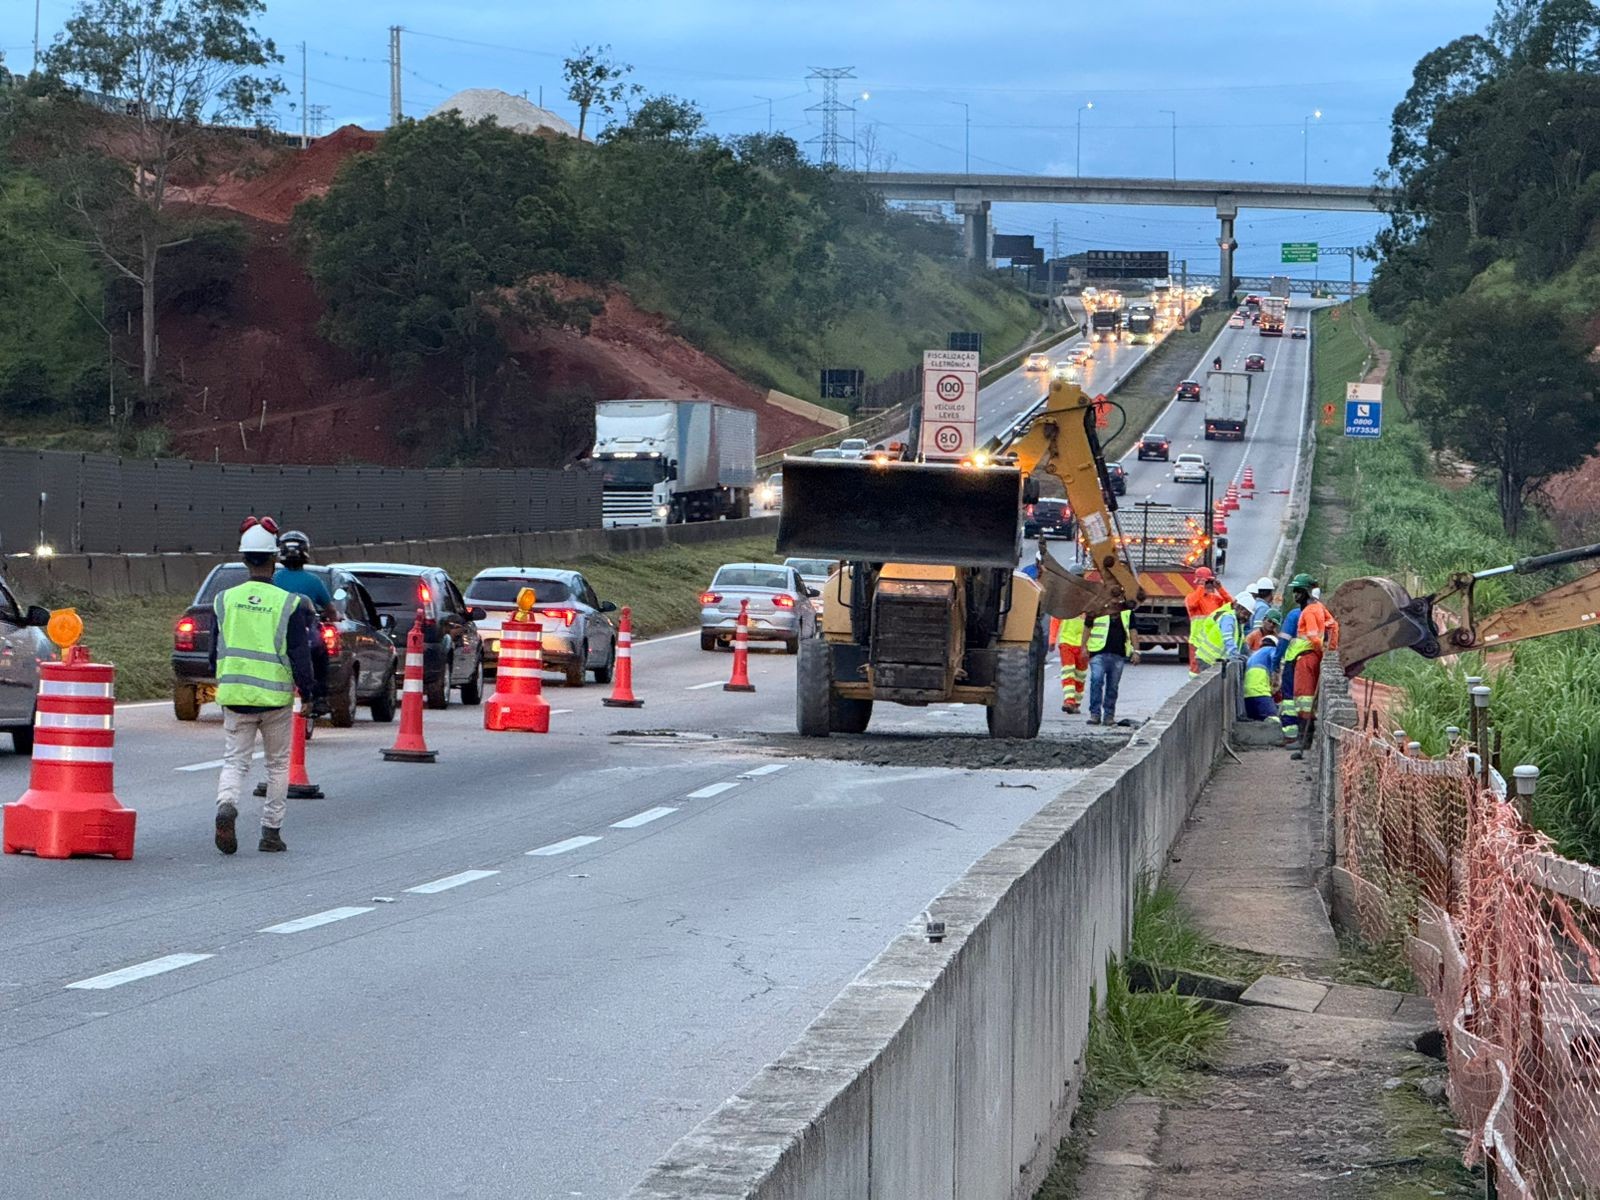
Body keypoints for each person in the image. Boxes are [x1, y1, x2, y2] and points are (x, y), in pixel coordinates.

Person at [210, 516, 317, 856]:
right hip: (275, 698)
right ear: (274, 560)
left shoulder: (224, 600)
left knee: (235, 762)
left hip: (235, 695)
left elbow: (215, 652)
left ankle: (227, 804)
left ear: (244, 559)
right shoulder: (288, 603)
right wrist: (309, 692)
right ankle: (271, 832)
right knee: (277, 765)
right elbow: (300, 654)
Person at [272, 529, 334, 717]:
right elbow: (330, 610)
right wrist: (334, 617)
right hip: (306, 639)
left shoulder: (274, 579)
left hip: (275, 636)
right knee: (321, 656)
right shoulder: (314, 581)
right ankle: (320, 697)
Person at [1282, 573, 1333, 758]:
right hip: (1307, 657)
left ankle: (1305, 739)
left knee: (1303, 699)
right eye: (1295, 591)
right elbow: (1333, 626)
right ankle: (1305, 737)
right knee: (1304, 699)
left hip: (1306, 658)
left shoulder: (1310, 611)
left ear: (1307, 592)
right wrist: (1328, 649)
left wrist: (1322, 651)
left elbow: (1313, 636)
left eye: (1299, 591)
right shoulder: (1318, 608)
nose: (1295, 595)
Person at [1085, 608, 1137, 726]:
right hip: (1097, 653)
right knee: (1096, 681)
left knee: (1112, 687)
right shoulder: (1097, 607)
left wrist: (1136, 651)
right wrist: (1083, 647)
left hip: (1118, 655)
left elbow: (1133, 631)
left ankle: (1109, 715)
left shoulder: (1126, 612)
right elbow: (1087, 627)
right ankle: (1095, 714)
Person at [1184, 567, 1234, 676]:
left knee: (1211, 672)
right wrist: (1202, 586)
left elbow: (1232, 606)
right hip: (1197, 642)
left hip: (1211, 642)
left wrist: (1220, 589)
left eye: (1211, 582)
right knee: (1195, 672)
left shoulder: (1216, 599)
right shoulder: (1191, 598)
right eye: (1208, 582)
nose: (1210, 585)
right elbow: (1192, 604)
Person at [1052, 610, 1088, 714]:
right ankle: (1069, 700)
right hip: (1067, 642)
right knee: (1068, 671)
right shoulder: (1066, 603)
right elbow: (1056, 619)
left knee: (1080, 676)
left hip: (1084, 644)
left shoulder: (1090, 604)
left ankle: (1076, 703)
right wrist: (1052, 639)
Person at [1243, 635, 1281, 723]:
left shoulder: (1253, 655)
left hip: (1247, 695)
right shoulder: (1271, 649)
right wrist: (1278, 673)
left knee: (1257, 721)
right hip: (1260, 692)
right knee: (1274, 720)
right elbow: (1275, 659)